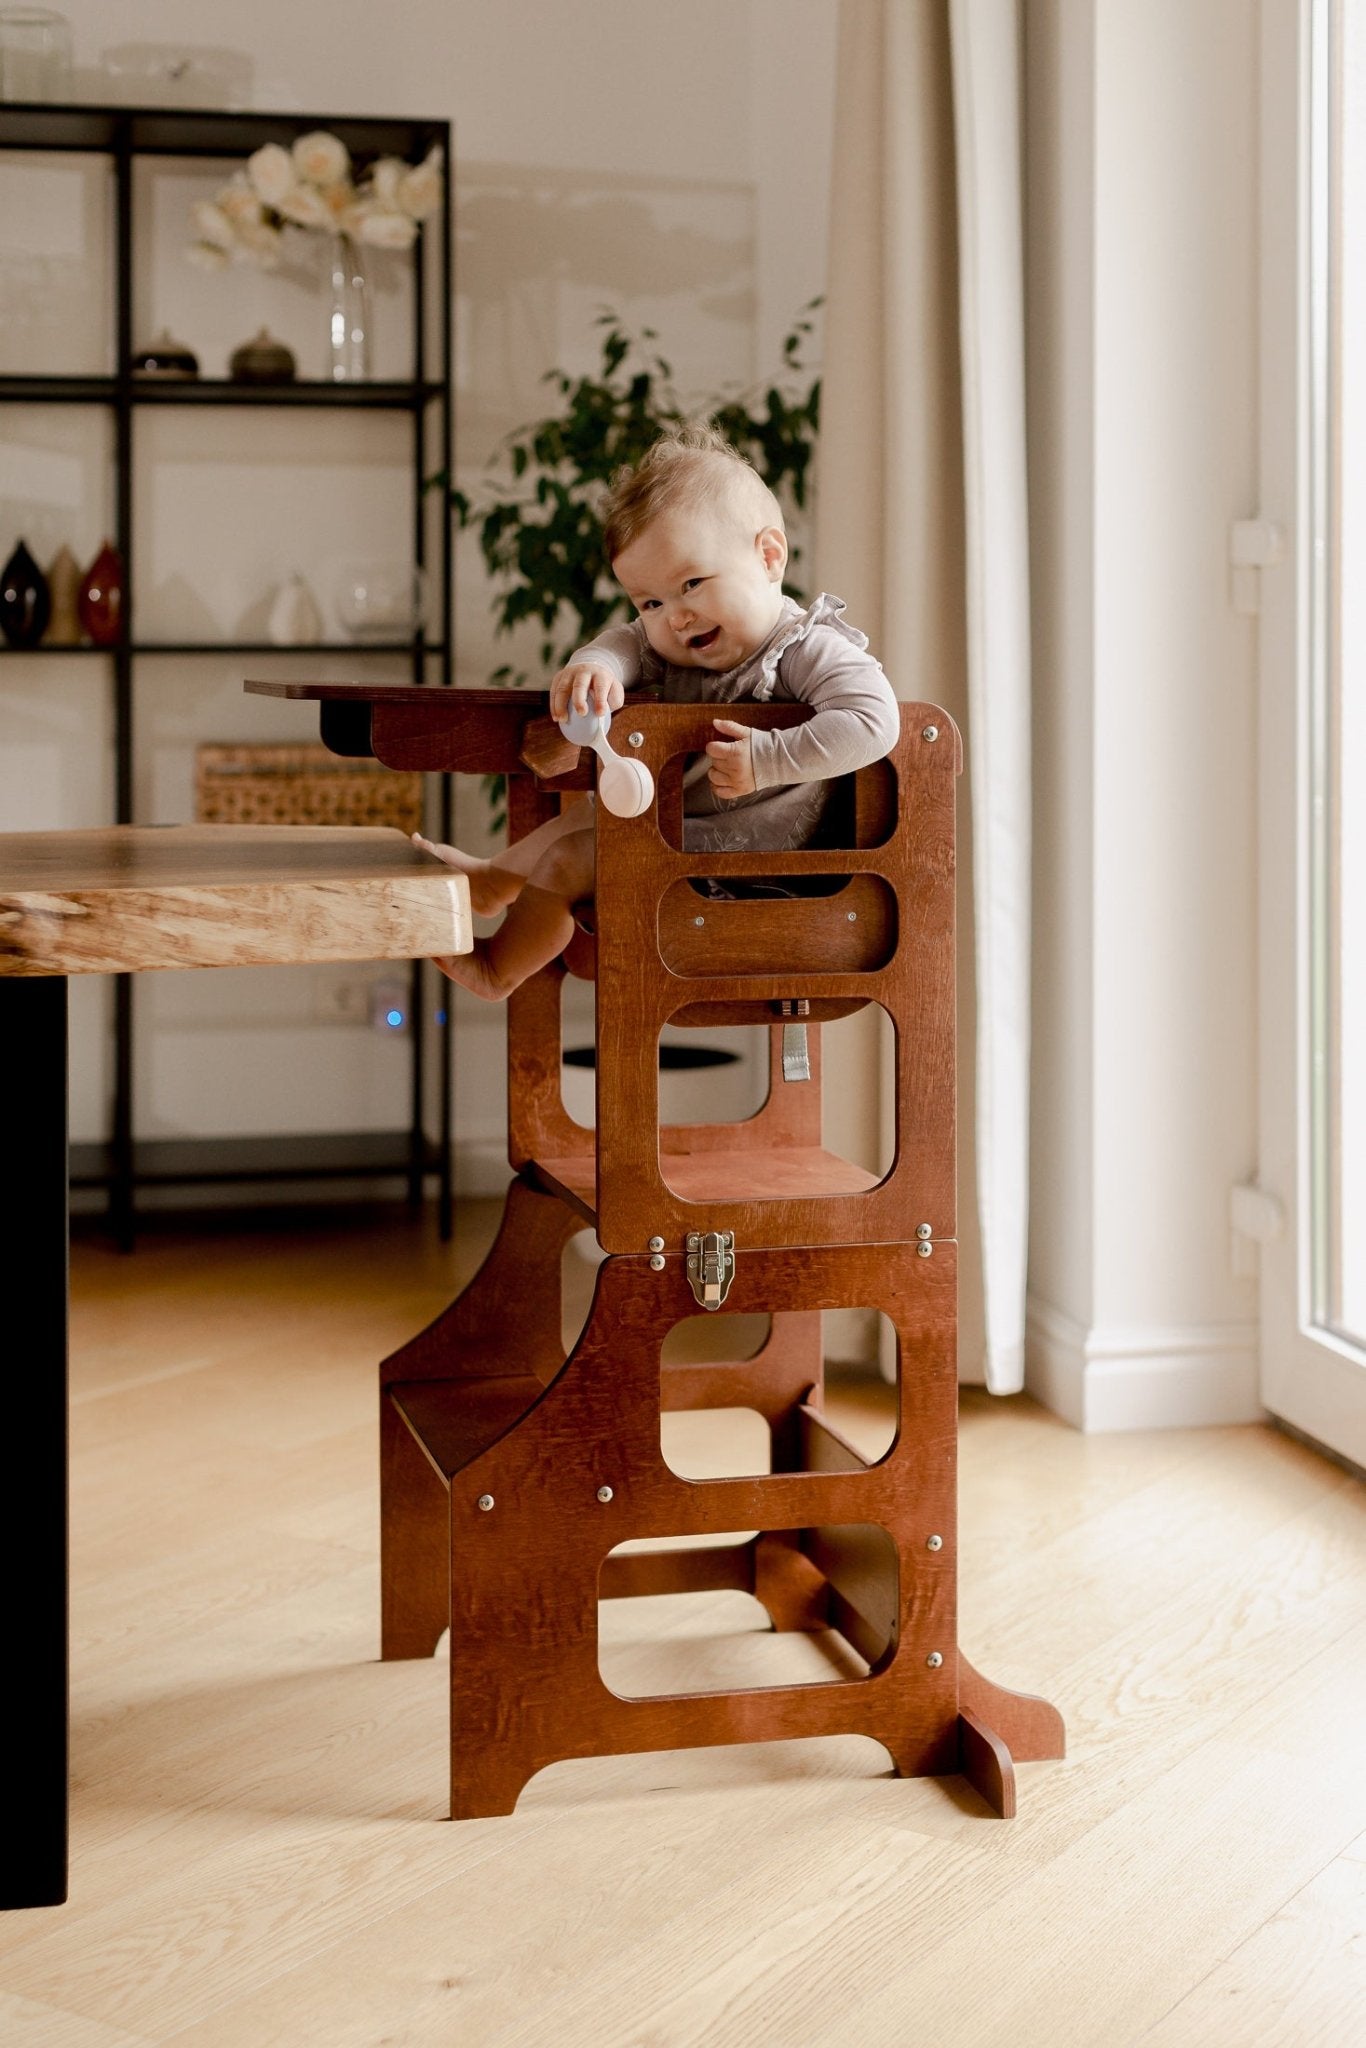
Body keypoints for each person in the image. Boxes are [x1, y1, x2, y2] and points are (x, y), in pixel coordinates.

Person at [416, 423, 899, 999]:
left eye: (692, 582)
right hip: (678, 836)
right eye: (650, 601)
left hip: (752, 865)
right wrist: (595, 665)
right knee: (584, 814)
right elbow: (625, 643)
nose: (675, 616)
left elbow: (876, 720)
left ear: (769, 556)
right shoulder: (667, 644)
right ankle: (496, 881)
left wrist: (771, 758)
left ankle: (498, 970)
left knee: (572, 857)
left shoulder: (801, 648)